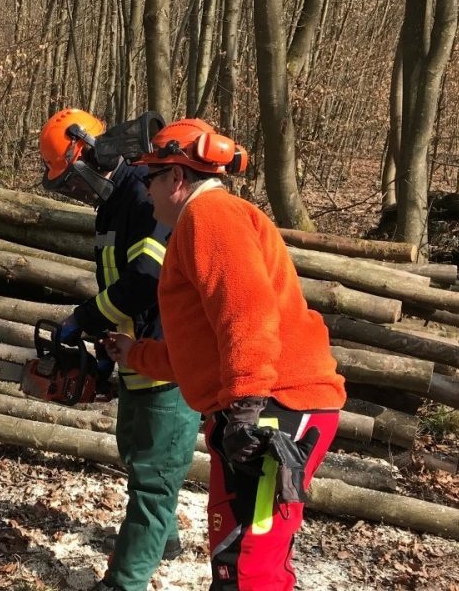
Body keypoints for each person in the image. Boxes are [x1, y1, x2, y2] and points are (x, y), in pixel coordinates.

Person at [101, 118, 346, 591]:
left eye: (152, 178)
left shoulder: (210, 216)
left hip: (275, 408)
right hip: (261, 403)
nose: (146, 191)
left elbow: (246, 312)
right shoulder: (201, 223)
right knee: (258, 556)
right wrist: (136, 354)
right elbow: (204, 349)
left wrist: (248, 408)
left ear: (177, 178)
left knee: (245, 563)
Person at [38, 108, 201, 591]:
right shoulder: (113, 204)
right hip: (136, 353)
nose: (74, 191)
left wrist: (85, 319)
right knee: (137, 455)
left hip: (168, 361)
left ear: (88, 155)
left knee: (153, 478)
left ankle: (124, 582)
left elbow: (144, 282)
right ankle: (165, 539)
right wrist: (107, 347)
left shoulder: (148, 197)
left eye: (72, 180)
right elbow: (121, 284)